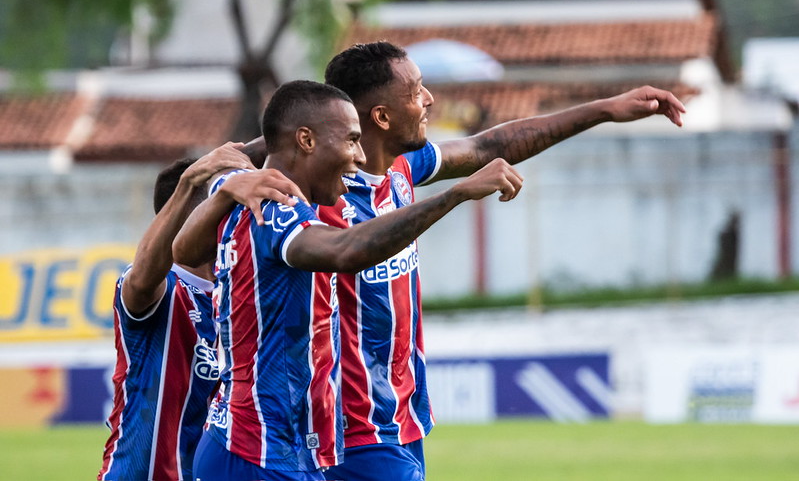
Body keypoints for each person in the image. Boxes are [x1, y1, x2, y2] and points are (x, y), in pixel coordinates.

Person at [312, 41, 688, 481]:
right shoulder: (321, 201)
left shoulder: (401, 169)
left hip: (403, 416)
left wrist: (603, 109)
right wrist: (456, 193)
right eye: (416, 91)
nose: (429, 99)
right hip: (351, 430)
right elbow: (346, 245)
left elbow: (491, 143)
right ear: (380, 116)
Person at [171, 80, 523, 481]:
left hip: (270, 445)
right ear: (305, 140)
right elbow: (345, 252)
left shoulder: (245, 193)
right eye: (351, 140)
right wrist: (453, 196)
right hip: (259, 451)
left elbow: (183, 251)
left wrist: (221, 193)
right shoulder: (276, 209)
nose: (358, 156)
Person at [98, 143, 304, 481]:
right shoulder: (166, 290)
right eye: (232, 205)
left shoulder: (239, 293)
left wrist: (296, 129)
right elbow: (142, 277)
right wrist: (192, 182)